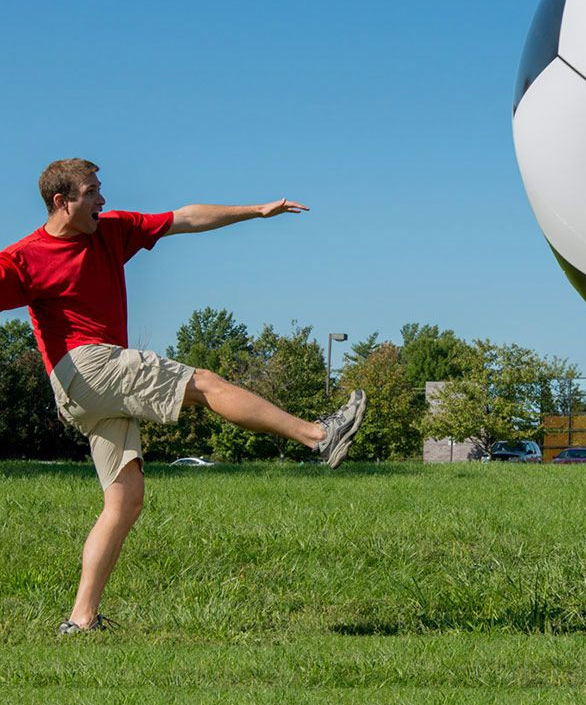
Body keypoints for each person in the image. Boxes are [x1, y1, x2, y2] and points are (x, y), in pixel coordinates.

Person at [0, 158, 367, 635]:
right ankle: (320, 435)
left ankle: (80, 620)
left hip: (82, 393)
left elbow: (185, 217)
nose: (102, 200)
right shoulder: (25, 257)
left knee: (125, 500)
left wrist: (256, 210)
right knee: (207, 384)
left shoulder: (111, 231)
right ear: (61, 201)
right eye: (92, 192)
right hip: (86, 365)